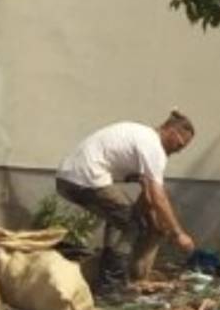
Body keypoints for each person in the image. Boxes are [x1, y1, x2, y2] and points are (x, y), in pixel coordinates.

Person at [55, 111, 197, 293]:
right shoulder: (153, 147)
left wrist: (154, 224)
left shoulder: (142, 136)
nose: (179, 150)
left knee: (120, 218)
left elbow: (148, 194)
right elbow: (158, 196)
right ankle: (111, 285)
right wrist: (178, 234)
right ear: (171, 132)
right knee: (131, 224)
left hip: (68, 177)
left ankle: (106, 275)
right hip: (85, 178)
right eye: (179, 144)